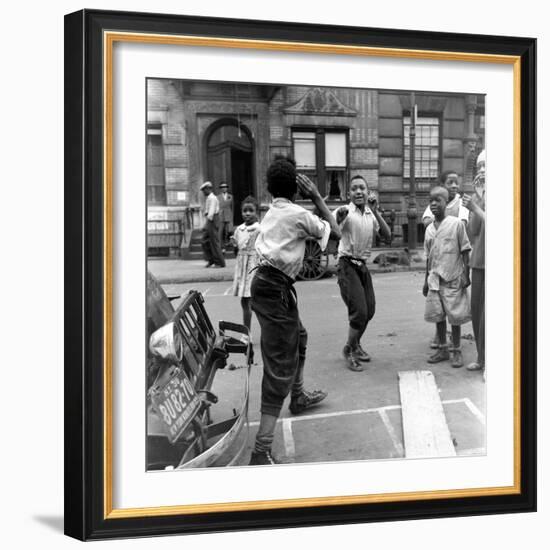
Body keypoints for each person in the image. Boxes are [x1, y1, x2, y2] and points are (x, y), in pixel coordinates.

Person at [249, 156, 341, 466]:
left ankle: (298, 396)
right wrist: (316, 196)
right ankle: (261, 450)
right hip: (275, 287)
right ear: (297, 189)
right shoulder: (299, 213)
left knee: (299, 336)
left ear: (270, 188)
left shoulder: (272, 211)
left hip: (265, 284)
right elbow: (335, 233)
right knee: (278, 365)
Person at [332, 176, 391, 371]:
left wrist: (375, 211)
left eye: (362, 188)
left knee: (370, 310)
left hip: (362, 266)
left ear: (368, 192)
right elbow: (332, 229)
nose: (359, 192)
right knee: (360, 312)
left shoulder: (369, 213)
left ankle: (356, 345)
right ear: (348, 193)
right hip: (347, 264)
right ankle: (348, 349)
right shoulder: (344, 211)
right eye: (354, 189)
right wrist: (338, 219)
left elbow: (387, 236)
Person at [423, 186, 471, 368]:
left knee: (455, 316)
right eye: (431, 200)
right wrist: (425, 282)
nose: (434, 204)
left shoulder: (456, 224)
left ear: (446, 203)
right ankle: (443, 348)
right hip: (434, 280)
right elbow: (428, 258)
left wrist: (467, 274)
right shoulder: (428, 230)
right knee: (438, 315)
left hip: (453, 277)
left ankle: (456, 349)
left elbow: (465, 250)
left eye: (438, 200)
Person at [463, 150, 486, 376]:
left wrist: (478, 207)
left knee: (490, 314)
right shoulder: (479, 195)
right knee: (477, 311)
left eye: (485, 166)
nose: (481, 170)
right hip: (479, 261)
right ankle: (481, 358)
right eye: (479, 166)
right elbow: (474, 231)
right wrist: (476, 202)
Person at [231, 195, 260, 332]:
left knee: (255, 302)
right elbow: (238, 246)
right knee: (244, 301)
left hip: (253, 267)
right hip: (242, 267)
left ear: (257, 212)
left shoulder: (259, 229)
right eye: (244, 211)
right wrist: (234, 244)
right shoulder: (239, 229)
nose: (247, 213)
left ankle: (266, 332)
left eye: (251, 210)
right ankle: (246, 333)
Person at [199, 181, 226, 268]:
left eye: (204, 190)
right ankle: (211, 260)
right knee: (204, 241)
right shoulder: (209, 198)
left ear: (208, 189)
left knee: (214, 242)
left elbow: (210, 214)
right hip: (210, 221)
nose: (203, 192)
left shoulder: (213, 198)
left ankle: (219, 262)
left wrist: (205, 224)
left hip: (213, 220)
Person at [218, 182, 233, 251]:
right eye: (222, 187)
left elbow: (232, 207)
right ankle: (221, 246)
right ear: (220, 189)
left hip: (228, 214)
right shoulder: (217, 197)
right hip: (221, 215)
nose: (224, 189)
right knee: (221, 231)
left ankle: (228, 244)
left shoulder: (230, 196)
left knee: (228, 230)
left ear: (227, 188)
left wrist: (232, 215)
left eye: (225, 187)